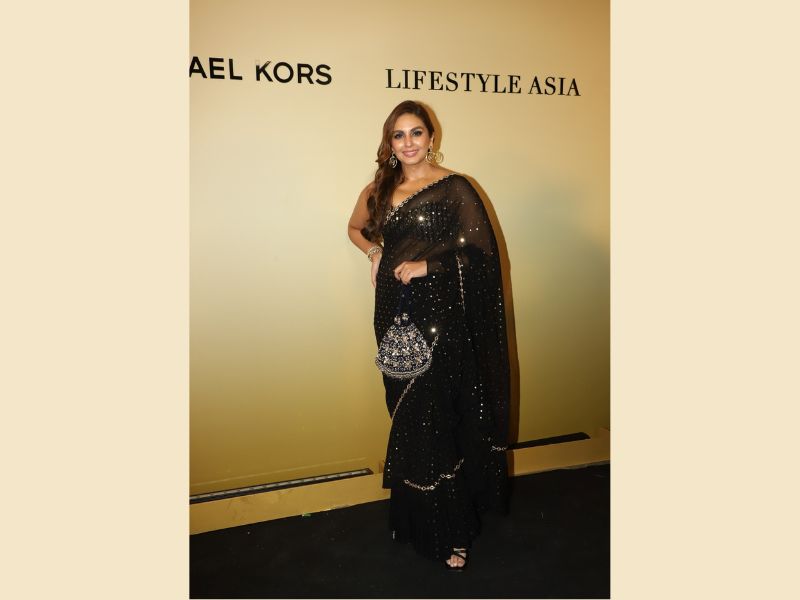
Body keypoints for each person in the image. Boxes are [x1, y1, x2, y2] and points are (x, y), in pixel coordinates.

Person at [347, 100, 511, 570]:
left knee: (436, 415)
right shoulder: (379, 188)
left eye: (416, 132)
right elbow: (354, 228)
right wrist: (375, 252)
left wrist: (430, 265)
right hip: (393, 312)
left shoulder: (455, 187)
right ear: (389, 142)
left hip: (442, 317)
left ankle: (452, 529)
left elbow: (481, 254)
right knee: (407, 416)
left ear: (431, 137)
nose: (408, 143)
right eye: (398, 135)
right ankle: (415, 517)